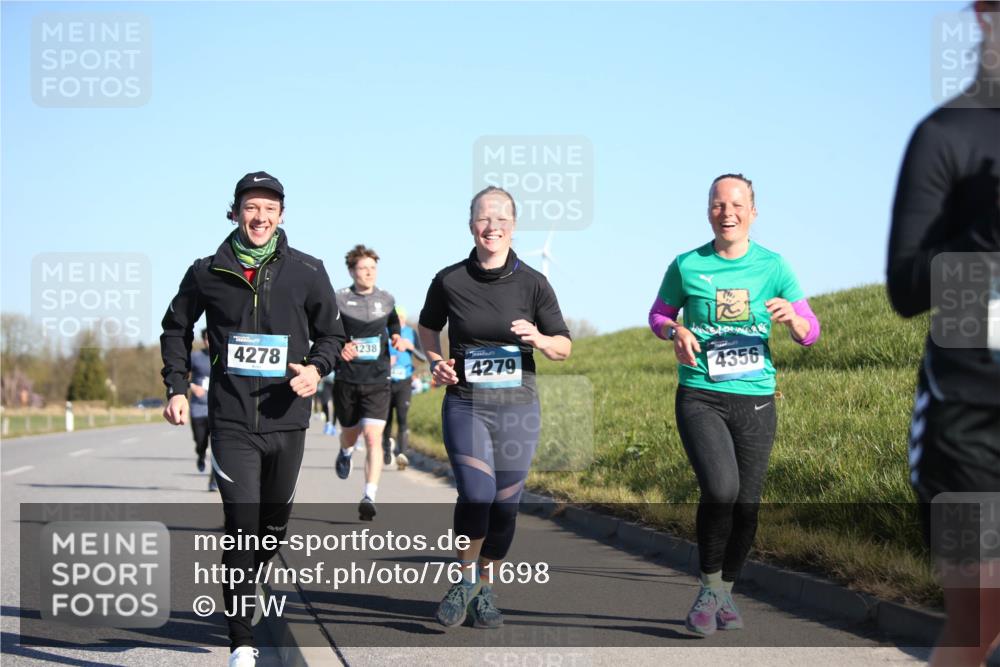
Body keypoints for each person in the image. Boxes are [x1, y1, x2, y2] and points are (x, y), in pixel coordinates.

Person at [160, 171, 344, 667]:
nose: (259, 217)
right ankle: (241, 642)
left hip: (287, 418)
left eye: (269, 208)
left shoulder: (307, 270)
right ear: (236, 211)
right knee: (242, 528)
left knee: (273, 524)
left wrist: (316, 368)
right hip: (232, 419)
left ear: (282, 215)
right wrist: (177, 387)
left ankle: (254, 574)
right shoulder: (206, 272)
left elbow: (331, 335)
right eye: (250, 207)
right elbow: (175, 328)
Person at [648, 173, 820, 636]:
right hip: (701, 393)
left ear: (753, 212)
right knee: (721, 489)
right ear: (708, 210)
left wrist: (796, 324)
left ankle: (724, 591)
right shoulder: (686, 265)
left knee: (747, 505)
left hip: (757, 398)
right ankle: (708, 588)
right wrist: (675, 330)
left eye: (737, 204)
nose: (727, 212)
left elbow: (810, 329)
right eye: (718, 204)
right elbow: (659, 314)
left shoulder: (774, 266)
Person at [887, 3, 1000, 664]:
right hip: (969, 418)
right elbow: (905, 287)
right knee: (979, 620)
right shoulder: (947, 134)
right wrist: (986, 234)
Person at [419, 185, 572, 629]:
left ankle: (483, 587)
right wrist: (435, 361)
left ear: (514, 226)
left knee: (505, 506)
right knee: (477, 493)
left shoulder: (534, 283)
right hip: (466, 403)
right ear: (471, 226)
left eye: (502, 219)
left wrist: (539, 339)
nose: (493, 226)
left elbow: (563, 346)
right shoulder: (449, 280)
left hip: (518, 407)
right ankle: (465, 578)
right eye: (485, 218)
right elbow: (427, 330)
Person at [333, 245, 404, 521]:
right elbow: (326, 332)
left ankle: (369, 495)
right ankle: (345, 451)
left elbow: (394, 324)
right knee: (350, 433)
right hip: (347, 379)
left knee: (374, 437)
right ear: (352, 271)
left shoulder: (386, 299)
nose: (369, 273)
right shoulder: (339, 300)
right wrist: (341, 346)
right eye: (364, 268)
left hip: (378, 379)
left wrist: (396, 336)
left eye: (373, 268)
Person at [382, 306, 425, 470]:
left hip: (404, 382)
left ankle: (402, 454)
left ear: (405, 319)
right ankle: (386, 449)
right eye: (395, 318)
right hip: (385, 382)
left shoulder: (411, 333)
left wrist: (411, 347)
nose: (398, 321)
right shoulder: (384, 333)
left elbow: (423, 358)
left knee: (402, 417)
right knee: (386, 419)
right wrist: (386, 361)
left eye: (401, 318)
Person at [189, 327, 217, 492]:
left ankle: (213, 481)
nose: (209, 342)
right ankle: (200, 454)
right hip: (198, 407)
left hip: (217, 408)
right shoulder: (195, 357)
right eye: (206, 339)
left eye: (211, 338)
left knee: (218, 447)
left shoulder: (224, 356)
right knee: (200, 440)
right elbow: (181, 375)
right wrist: (192, 386)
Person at [318, 370, 336, 435]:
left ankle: (333, 425)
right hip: (326, 382)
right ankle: (328, 423)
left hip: (337, 381)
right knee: (324, 402)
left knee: (336, 404)